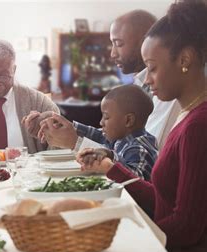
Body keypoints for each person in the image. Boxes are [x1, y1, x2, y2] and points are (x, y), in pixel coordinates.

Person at [77, 2, 207, 252]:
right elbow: (163, 201)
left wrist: (122, 237)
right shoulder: (187, 116)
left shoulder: (198, 126)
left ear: (184, 60)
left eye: (153, 67)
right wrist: (110, 168)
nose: (147, 79)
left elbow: (186, 227)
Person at [36, 10, 181, 151]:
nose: (112, 54)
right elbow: (118, 139)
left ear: (145, 41)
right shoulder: (139, 84)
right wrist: (68, 128)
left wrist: (76, 143)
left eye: (118, 44)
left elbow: (143, 153)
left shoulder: (165, 89)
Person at [42, 84, 157, 181]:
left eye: (106, 117)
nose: (101, 122)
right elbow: (96, 134)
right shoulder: (120, 136)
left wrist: (111, 156)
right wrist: (69, 126)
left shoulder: (139, 148)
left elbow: (135, 180)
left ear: (128, 120)